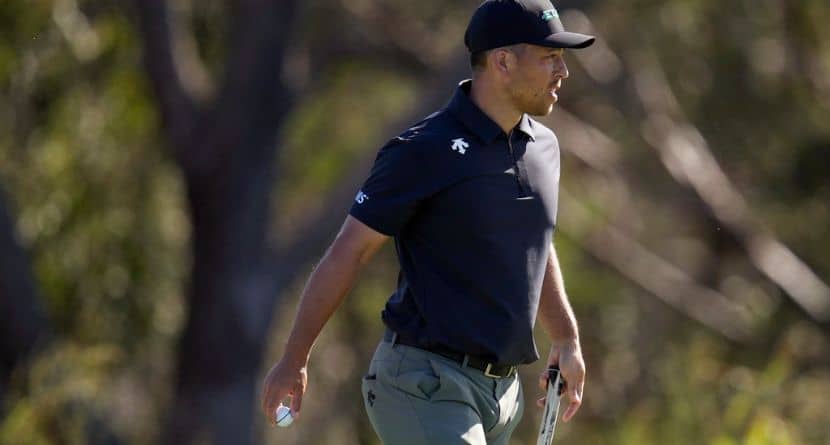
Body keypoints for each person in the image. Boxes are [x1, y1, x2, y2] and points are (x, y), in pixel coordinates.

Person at [261, 0, 595, 443]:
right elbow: (350, 251)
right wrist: (294, 358)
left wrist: (566, 338)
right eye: (550, 58)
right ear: (502, 62)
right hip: (423, 384)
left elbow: (535, 245)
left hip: (502, 395)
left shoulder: (544, 149)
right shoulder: (425, 149)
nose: (563, 72)